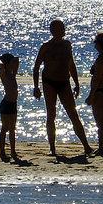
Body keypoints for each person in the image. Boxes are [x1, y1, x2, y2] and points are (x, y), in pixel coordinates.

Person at [33, 19, 94, 159]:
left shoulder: (67, 44)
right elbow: (36, 67)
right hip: (49, 83)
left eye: (63, 28)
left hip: (64, 82)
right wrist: (36, 87)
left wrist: (77, 83)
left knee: (73, 114)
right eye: (61, 28)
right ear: (53, 30)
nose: (64, 30)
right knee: (51, 115)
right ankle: (52, 149)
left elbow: (71, 64)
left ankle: (86, 146)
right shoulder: (46, 47)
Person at [0, 52, 20, 161]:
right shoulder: (4, 75)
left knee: (12, 129)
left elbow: (17, 59)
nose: (13, 64)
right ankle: (2, 152)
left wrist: (12, 60)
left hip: (13, 104)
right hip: (6, 104)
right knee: (5, 128)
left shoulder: (12, 74)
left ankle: (13, 152)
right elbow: (1, 65)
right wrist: (0, 60)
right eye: (11, 63)